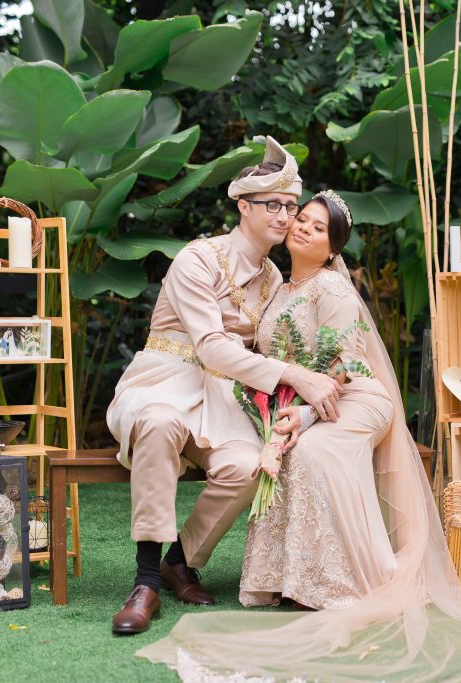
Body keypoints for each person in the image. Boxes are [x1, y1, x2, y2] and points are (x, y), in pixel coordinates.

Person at [136, 191, 461, 681]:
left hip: (353, 399)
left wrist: (307, 415)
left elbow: (346, 365)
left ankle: (342, 581)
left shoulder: (331, 288)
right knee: (283, 452)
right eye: (302, 219)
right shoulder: (277, 287)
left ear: (333, 249)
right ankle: (291, 578)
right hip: (305, 403)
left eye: (319, 228)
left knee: (310, 451)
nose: (303, 228)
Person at [105, 138, 342, 636]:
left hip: (221, 398)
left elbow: (272, 347)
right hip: (163, 382)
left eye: (290, 206)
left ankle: (179, 561)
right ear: (243, 206)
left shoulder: (274, 275)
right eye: (272, 205)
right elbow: (212, 348)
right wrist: (296, 375)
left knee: (250, 466)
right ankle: (146, 581)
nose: (285, 216)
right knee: (159, 422)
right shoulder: (198, 258)